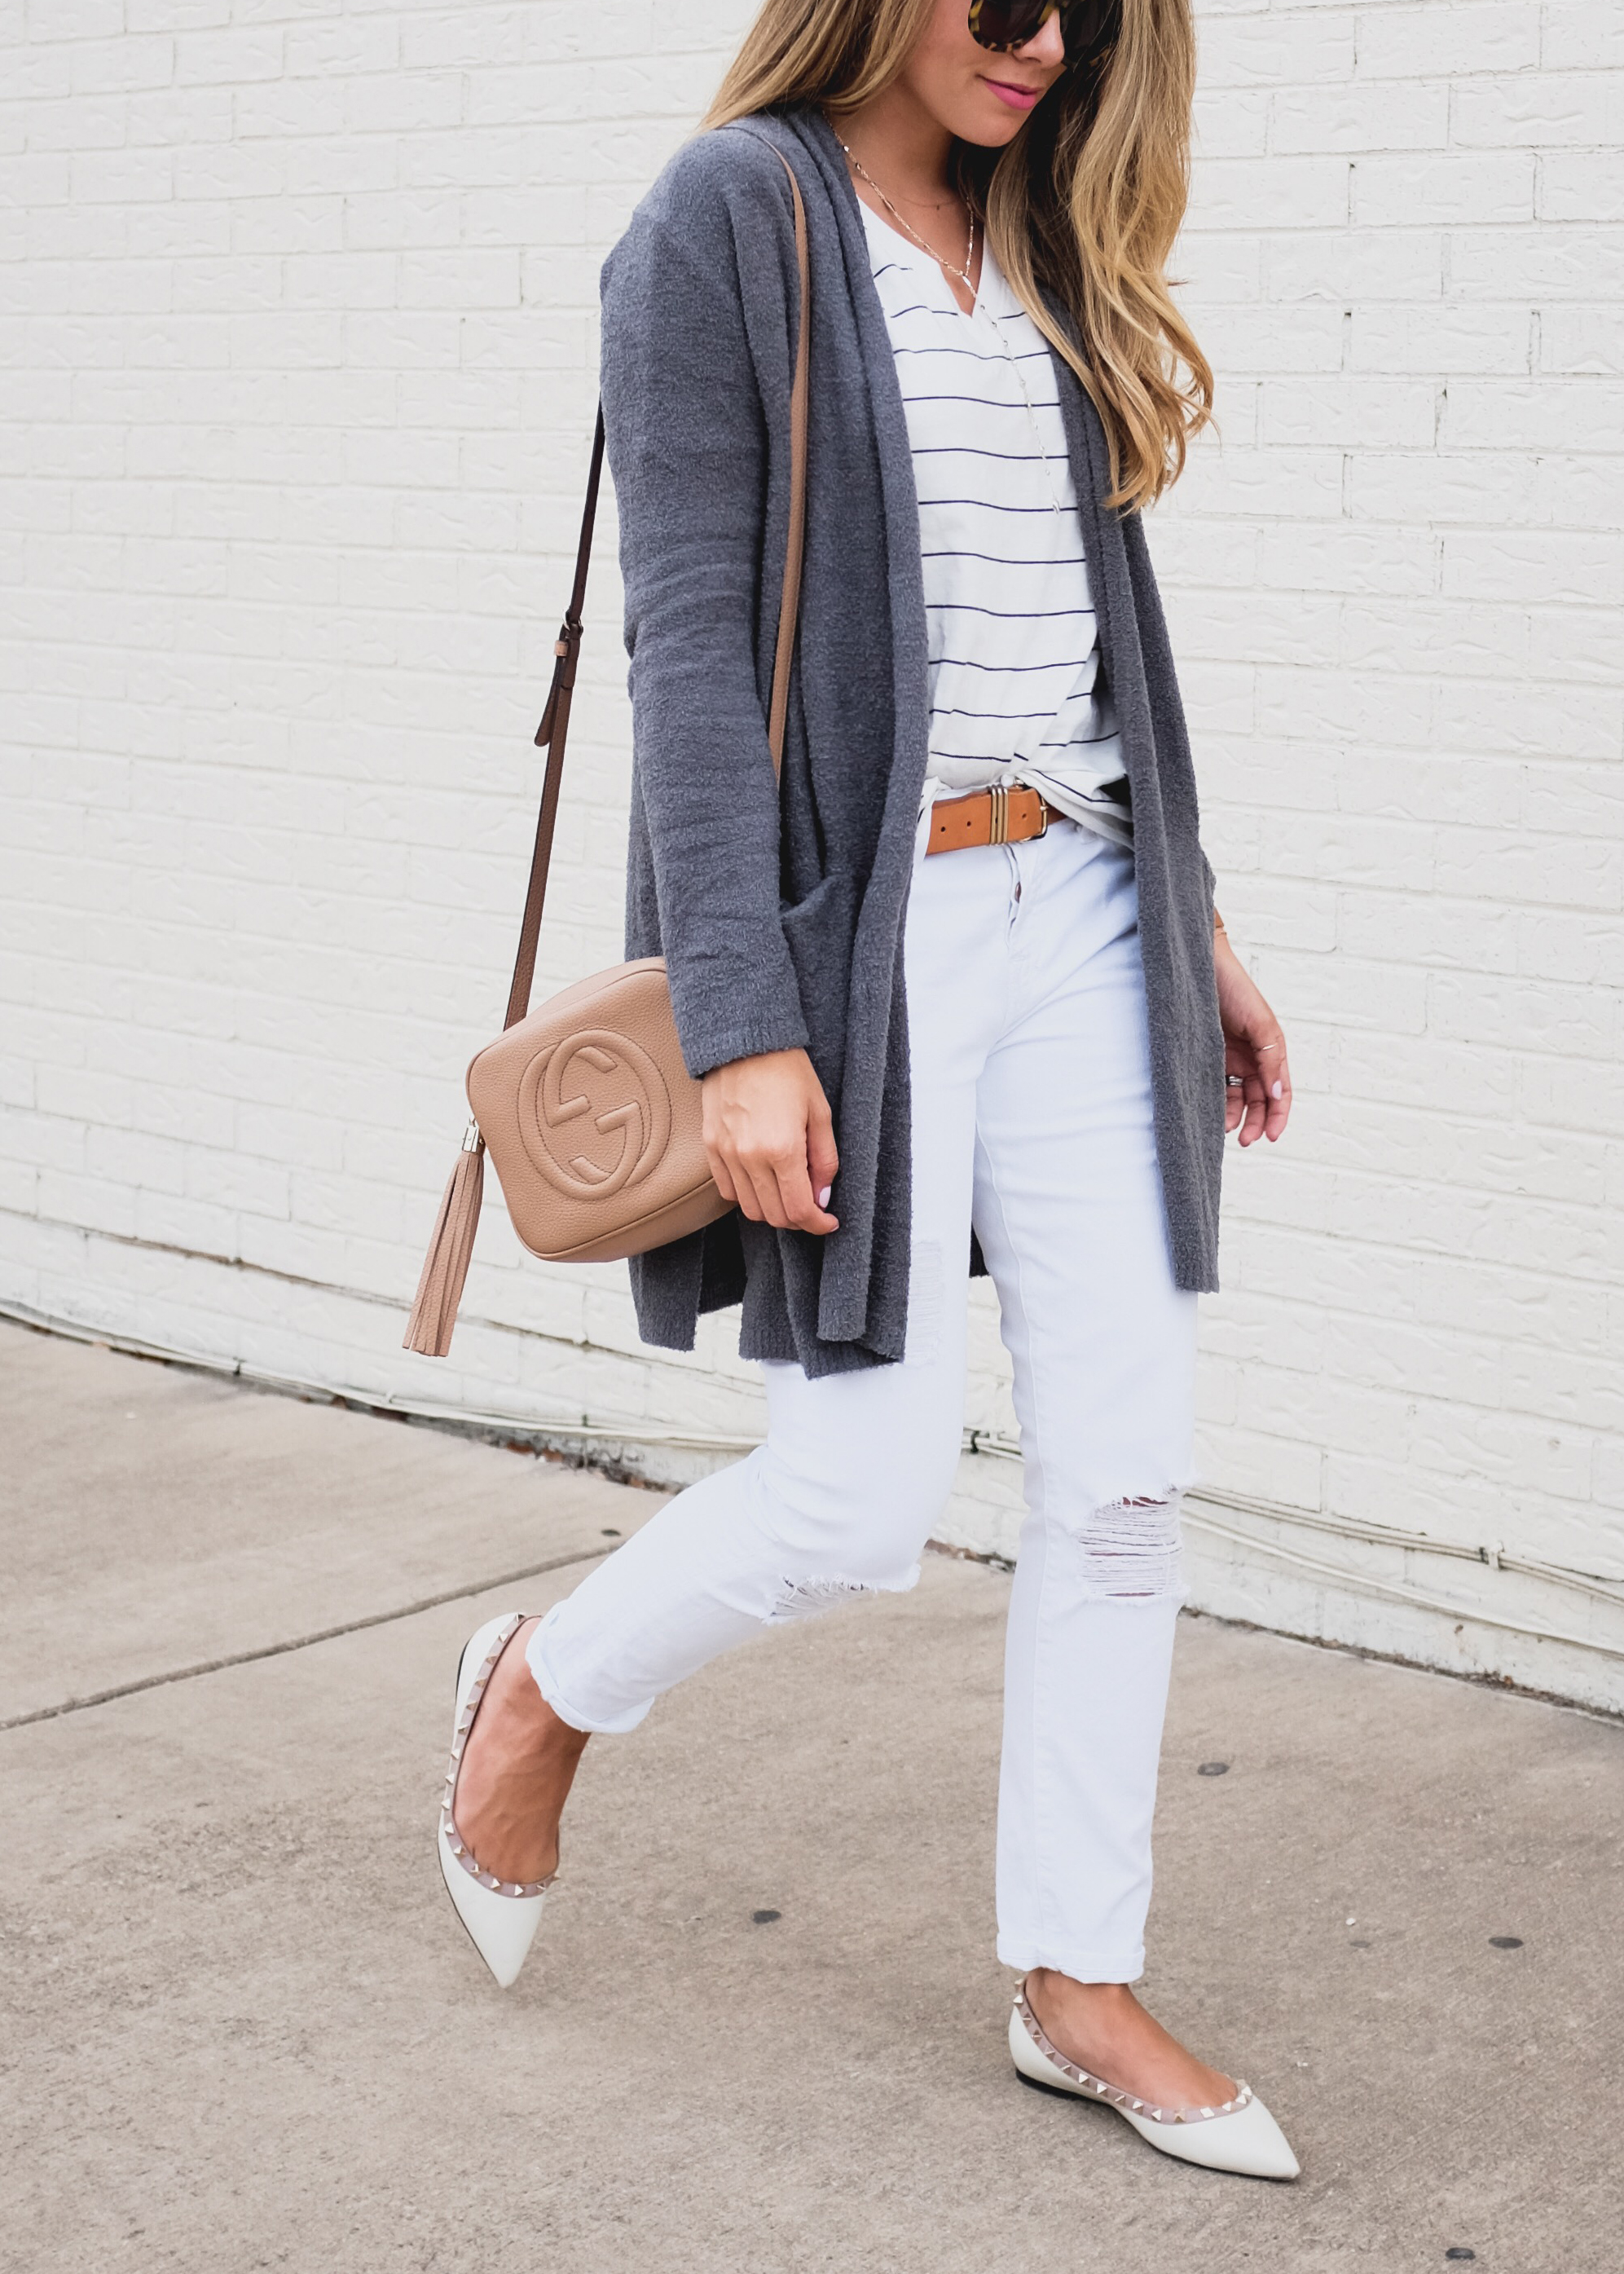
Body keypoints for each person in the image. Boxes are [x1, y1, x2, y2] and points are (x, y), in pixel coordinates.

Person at [436, 0, 1298, 2180]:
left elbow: (1084, 632)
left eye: (1092, 17)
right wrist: (744, 1025)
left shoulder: (1046, 234)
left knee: (1125, 1477)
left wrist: (1194, 927)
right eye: (1011, 3)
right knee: (847, 1495)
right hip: (867, 940)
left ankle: (1072, 1979)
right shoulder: (728, 219)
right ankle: (540, 1684)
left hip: (1088, 898)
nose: (1047, 46)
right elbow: (691, 642)